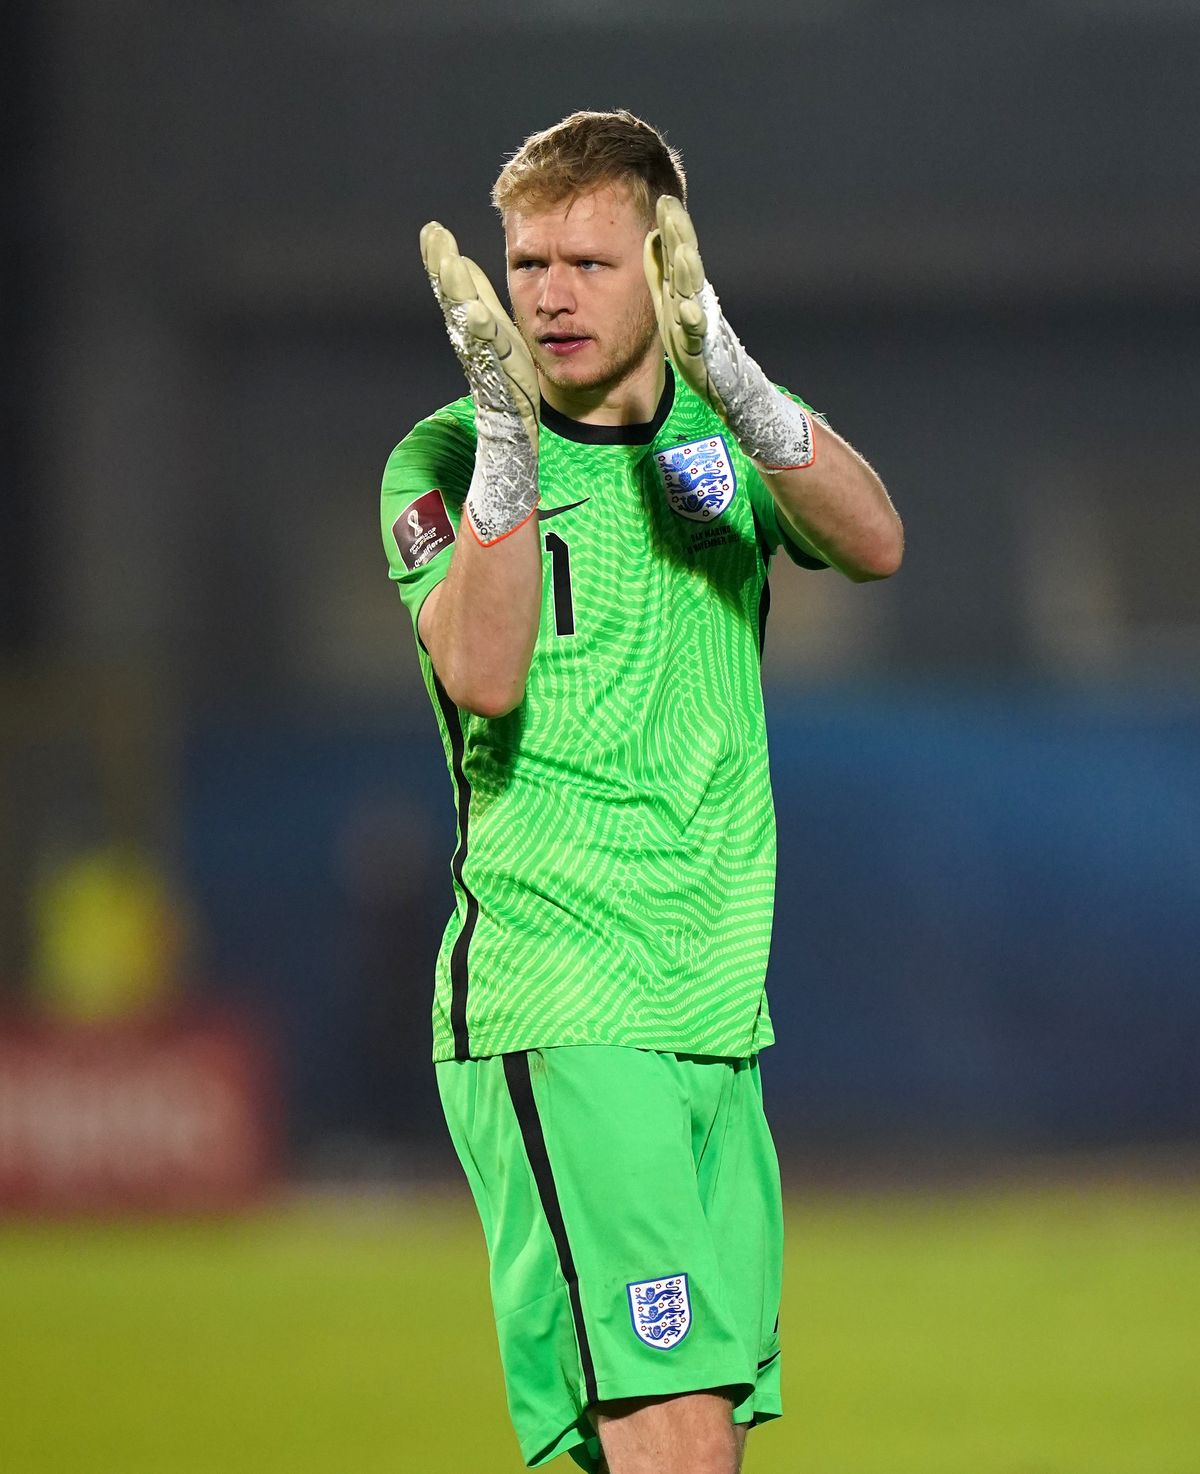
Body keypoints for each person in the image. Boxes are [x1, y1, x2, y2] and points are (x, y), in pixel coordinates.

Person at [380, 110, 902, 1474]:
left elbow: (876, 539)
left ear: (665, 257)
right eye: (528, 260)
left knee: (675, 1428)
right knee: (672, 1431)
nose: (547, 293)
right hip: (561, 988)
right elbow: (483, 673)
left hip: (714, 998)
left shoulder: (723, 427)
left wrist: (735, 372)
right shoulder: (438, 463)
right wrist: (507, 440)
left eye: (589, 262)